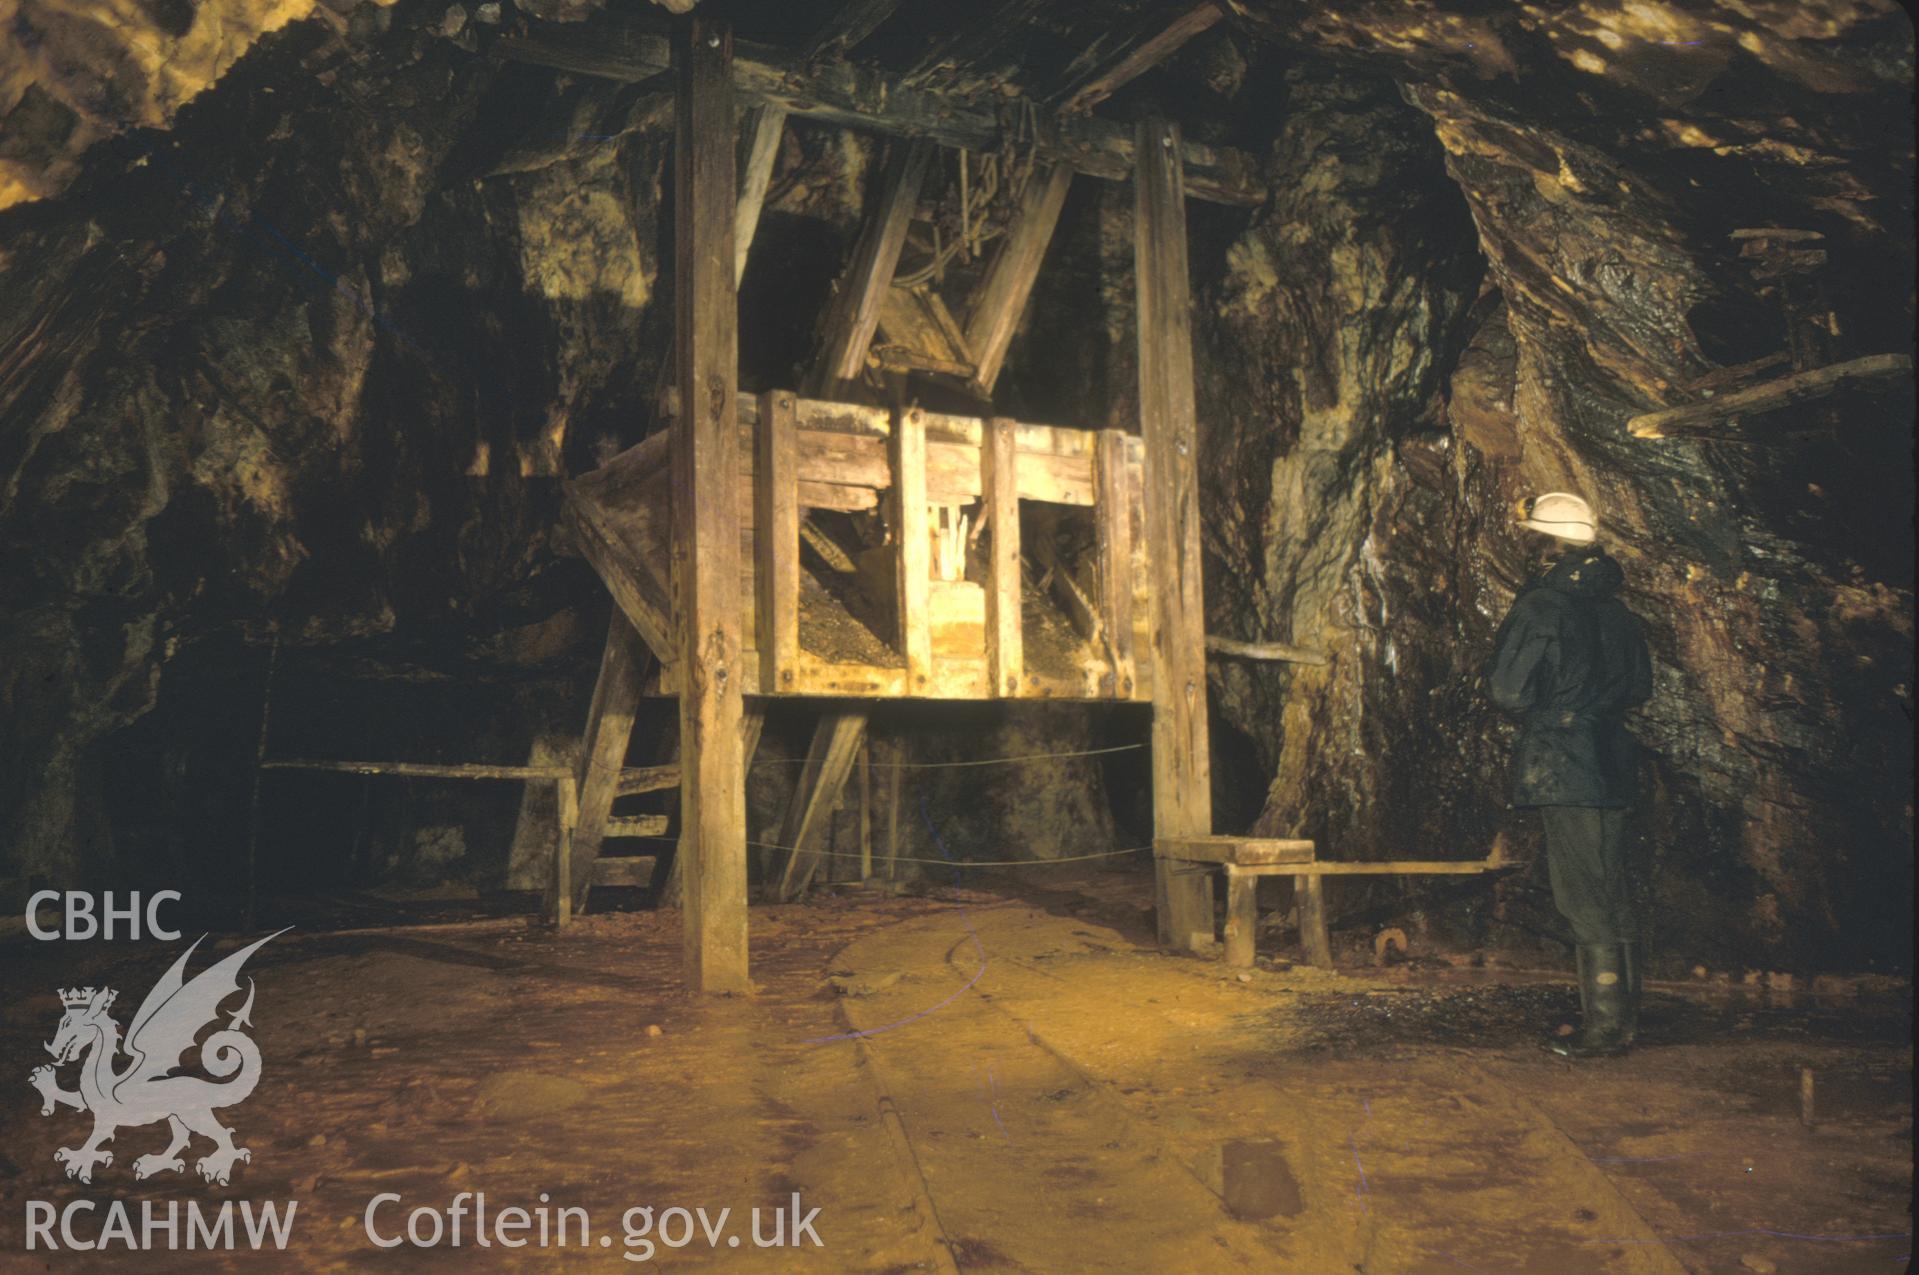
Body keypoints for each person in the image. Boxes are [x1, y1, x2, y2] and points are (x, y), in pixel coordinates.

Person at [1486, 492, 1653, 1058]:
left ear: (1544, 544)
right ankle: (1626, 1022)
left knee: (1582, 895)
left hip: (1567, 761)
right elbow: (1639, 689)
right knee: (1611, 888)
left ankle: (1604, 1032)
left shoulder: (1542, 607)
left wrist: (1551, 710)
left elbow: (1507, 689)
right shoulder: (1618, 610)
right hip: (1613, 758)